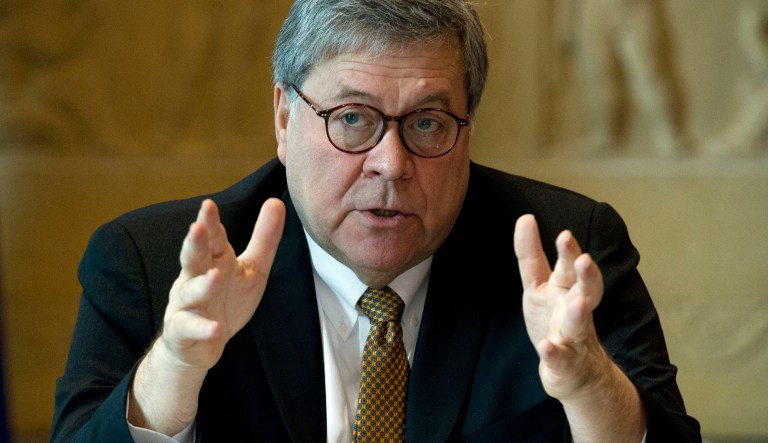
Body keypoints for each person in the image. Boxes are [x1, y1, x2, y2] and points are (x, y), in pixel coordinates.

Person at [50, 1, 701, 441]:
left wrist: (591, 385)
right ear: (284, 117)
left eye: (426, 123)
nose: (390, 164)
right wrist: (176, 365)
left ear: (467, 125)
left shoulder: (568, 255)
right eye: (353, 118)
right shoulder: (151, 262)